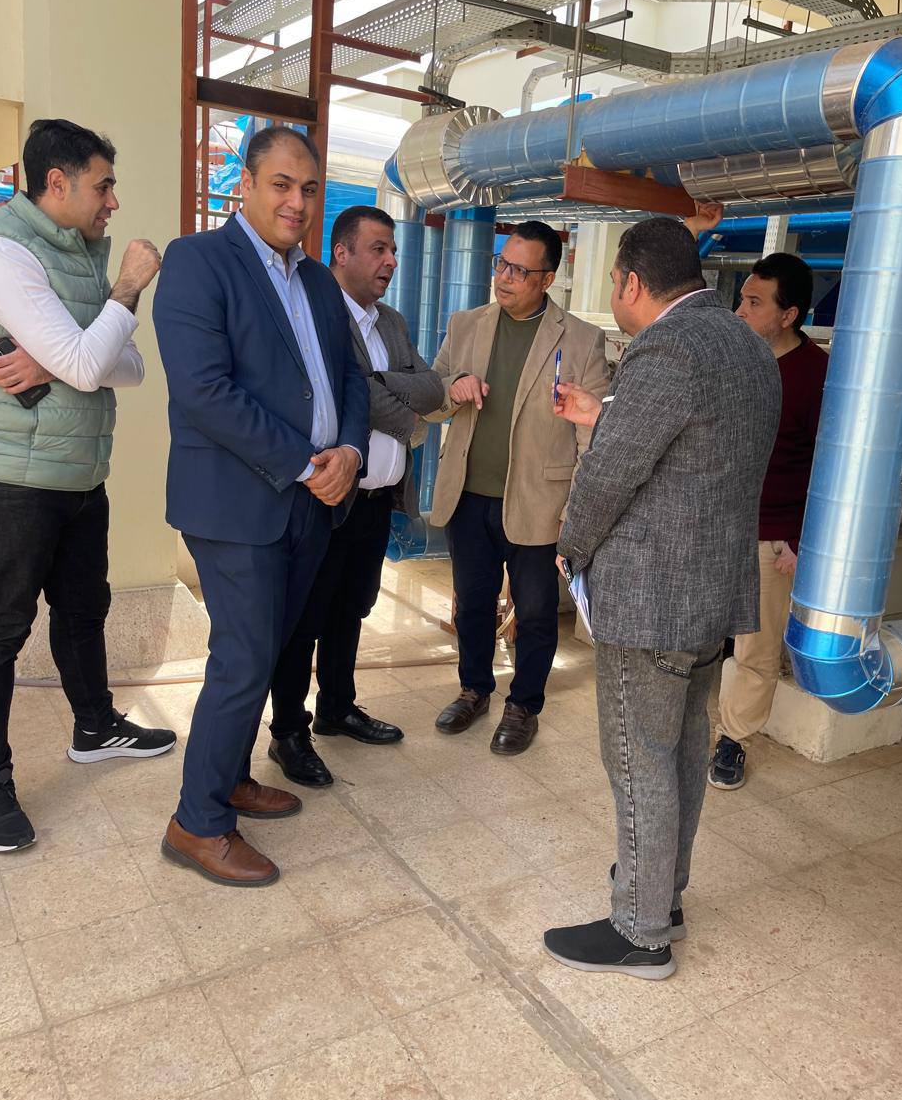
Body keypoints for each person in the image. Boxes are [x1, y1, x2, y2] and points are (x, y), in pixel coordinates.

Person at [543, 218, 780, 979]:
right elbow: (694, 450)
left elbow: (612, 473)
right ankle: (663, 897)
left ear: (631, 282)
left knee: (636, 754)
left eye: (613, 281)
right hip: (711, 591)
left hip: (651, 598)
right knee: (679, 748)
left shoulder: (665, 349)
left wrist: (570, 548)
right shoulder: (748, 346)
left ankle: (640, 932)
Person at [153, 127, 368, 887]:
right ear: (244, 183)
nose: (296, 202)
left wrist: (349, 452)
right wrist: (306, 462)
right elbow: (204, 391)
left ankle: (231, 777)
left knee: (273, 651)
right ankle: (197, 823)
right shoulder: (198, 261)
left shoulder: (317, 282)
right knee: (243, 659)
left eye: (308, 189)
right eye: (280, 184)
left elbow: (349, 376)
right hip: (237, 502)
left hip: (312, 500)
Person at [0, 119, 176, 854]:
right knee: (2, 632)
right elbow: (88, 360)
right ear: (57, 183)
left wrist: (61, 358)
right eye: (104, 186)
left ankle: (95, 728)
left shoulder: (78, 252)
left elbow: (127, 367)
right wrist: (125, 292)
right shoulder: (8, 251)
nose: (113, 201)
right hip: (16, 481)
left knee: (83, 609)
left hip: (80, 474)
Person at [267, 205, 442, 783]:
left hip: (376, 501)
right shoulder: (319, 315)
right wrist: (398, 404)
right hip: (327, 500)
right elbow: (351, 400)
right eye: (378, 249)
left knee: (352, 609)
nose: (391, 261)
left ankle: (336, 708)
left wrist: (380, 382)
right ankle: (288, 731)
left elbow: (432, 388)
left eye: (393, 250)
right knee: (306, 619)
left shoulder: (390, 322)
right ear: (340, 253)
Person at [423, 220, 609, 755]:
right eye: (501, 264)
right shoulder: (465, 325)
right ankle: (474, 690)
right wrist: (453, 390)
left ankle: (524, 705)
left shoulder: (581, 340)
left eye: (519, 271)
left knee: (535, 613)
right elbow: (431, 402)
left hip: (540, 502)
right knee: (473, 604)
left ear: (547, 279)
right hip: (469, 495)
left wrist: (575, 512)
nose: (504, 277)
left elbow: (592, 437)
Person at [710, 252, 827, 788]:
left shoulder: (816, 375)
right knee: (696, 634)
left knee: (756, 650)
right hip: (713, 525)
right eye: (742, 298)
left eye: (755, 303)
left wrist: (800, 539)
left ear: (789, 314)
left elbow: (828, 467)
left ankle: (733, 740)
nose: (740, 311)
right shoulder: (733, 358)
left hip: (770, 536)